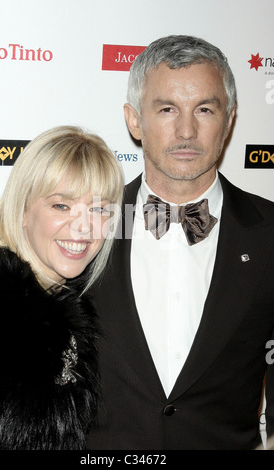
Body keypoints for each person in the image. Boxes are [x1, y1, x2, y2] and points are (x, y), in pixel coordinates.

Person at [86, 35, 274, 450]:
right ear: (135, 120)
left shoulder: (269, 234)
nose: (186, 130)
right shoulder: (86, 225)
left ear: (229, 120)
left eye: (204, 109)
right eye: (167, 109)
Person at [0, 125, 123, 450]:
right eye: (62, 206)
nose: (84, 227)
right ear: (23, 210)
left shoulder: (73, 311)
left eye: (98, 210)